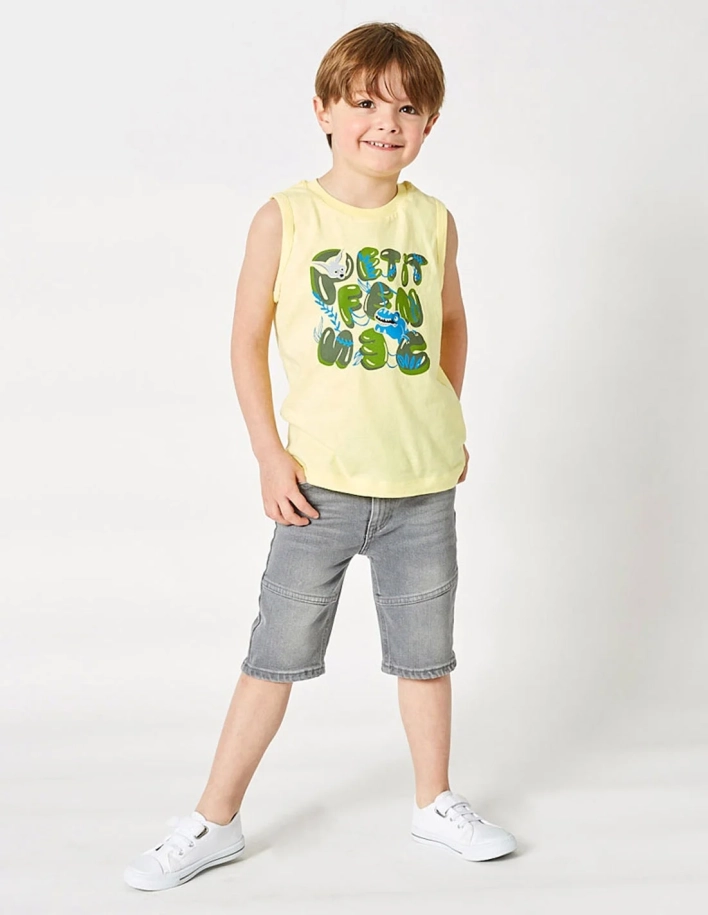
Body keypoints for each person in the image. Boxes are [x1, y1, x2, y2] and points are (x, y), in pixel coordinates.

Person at [123, 21, 517, 892]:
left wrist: (448, 417)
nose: (387, 122)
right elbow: (245, 340)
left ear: (430, 124)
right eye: (366, 102)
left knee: (426, 655)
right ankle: (214, 818)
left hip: (420, 488)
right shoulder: (286, 216)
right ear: (324, 111)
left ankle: (434, 800)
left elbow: (451, 322)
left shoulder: (432, 221)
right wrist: (269, 455)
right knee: (275, 654)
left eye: (407, 109)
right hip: (318, 489)